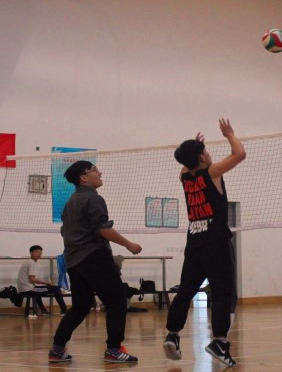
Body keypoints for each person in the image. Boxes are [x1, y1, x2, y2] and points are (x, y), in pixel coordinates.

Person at [163, 119, 245, 367]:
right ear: (200, 157)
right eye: (205, 151)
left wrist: (193, 149)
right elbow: (240, 154)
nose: (209, 154)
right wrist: (229, 134)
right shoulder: (212, 172)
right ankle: (219, 342)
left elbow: (186, 164)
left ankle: (172, 334)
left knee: (186, 290)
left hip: (194, 240)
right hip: (216, 241)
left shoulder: (185, 176)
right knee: (222, 292)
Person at [49, 161, 142, 364]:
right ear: (83, 177)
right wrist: (129, 245)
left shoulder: (70, 203)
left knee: (80, 306)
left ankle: (57, 349)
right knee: (117, 301)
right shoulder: (93, 198)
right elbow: (103, 229)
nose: (100, 173)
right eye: (94, 170)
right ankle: (114, 350)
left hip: (74, 261)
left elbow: (65, 232)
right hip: (94, 257)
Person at [17, 245, 68, 316]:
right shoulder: (31, 263)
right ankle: (64, 310)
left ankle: (43, 311)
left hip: (24, 289)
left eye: (40, 252)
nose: (39, 254)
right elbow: (32, 279)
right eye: (37, 252)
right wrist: (47, 282)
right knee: (56, 289)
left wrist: (45, 284)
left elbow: (32, 280)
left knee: (39, 290)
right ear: (31, 253)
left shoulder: (28, 262)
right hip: (28, 290)